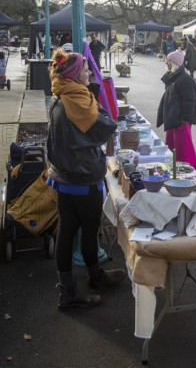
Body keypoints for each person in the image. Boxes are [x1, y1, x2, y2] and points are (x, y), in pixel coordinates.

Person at [47, 48, 126, 309]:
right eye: (85, 69)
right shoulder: (77, 99)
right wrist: (94, 92)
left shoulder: (62, 94)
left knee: (68, 231)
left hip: (65, 175)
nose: (90, 72)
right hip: (81, 176)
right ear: (74, 74)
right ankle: (93, 278)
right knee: (88, 230)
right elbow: (107, 126)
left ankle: (68, 289)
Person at [156, 49, 196, 170]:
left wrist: (185, 120)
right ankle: (173, 171)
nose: (166, 63)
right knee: (172, 149)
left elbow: (190, 102)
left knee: (184, 151)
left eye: (168, 61)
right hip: (173, 121)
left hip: (180, 122)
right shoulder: (175, 77)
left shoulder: (185, 79)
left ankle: (189, 172)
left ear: (174, 62)